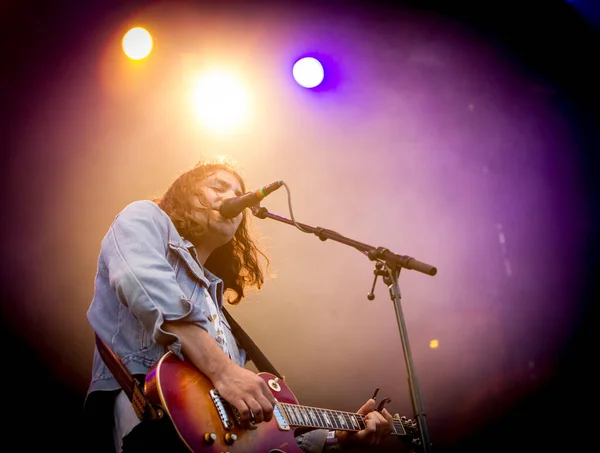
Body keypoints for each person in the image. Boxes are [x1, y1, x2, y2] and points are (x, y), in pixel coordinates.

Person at [83, 157, 394, 452]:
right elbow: (141, 282)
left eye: (237, 193)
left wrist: (338, 438)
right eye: (218, 187)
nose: (233, 197)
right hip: (147, 423)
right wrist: (223, 370)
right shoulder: (144, 217)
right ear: (184, 194)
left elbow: (259, 432)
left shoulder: (218, 310)